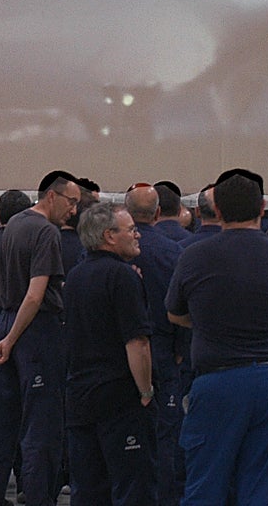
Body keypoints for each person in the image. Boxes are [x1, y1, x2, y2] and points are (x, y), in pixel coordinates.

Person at [166, 171, 268, 505]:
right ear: (262, 208)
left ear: (218, 212)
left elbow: (173, 313)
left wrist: (206, 324)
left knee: (206, 481)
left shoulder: (195, 256)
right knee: (263, 484)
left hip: (219, 380)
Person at [0, 171, 76, 506]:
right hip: (32, 331)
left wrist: (5, 335)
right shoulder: (47, 232)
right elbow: (35, 296)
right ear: (52, 196)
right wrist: (13, 339)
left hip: (4, 322)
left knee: (0, 425)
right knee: (41, 429)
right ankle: (37, 499)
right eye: (71, 202)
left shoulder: (16, 223)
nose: (74, 210)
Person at [63, 203, 155, 506]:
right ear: (109, 236)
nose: (138, 235)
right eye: (131, 230)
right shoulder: (123, 277)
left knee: (88, 488)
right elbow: (137, 342)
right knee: (132, 486)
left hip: (80, 396)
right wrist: (145, 390)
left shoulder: (75, 276)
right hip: (118, 398)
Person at [126, 182, 185, 506]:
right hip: (163, 350)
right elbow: (181, 307)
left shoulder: (114, 251)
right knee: (164, 436)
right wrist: (178, 350)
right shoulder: (174, 252)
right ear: (159, 213)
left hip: (121, 354)